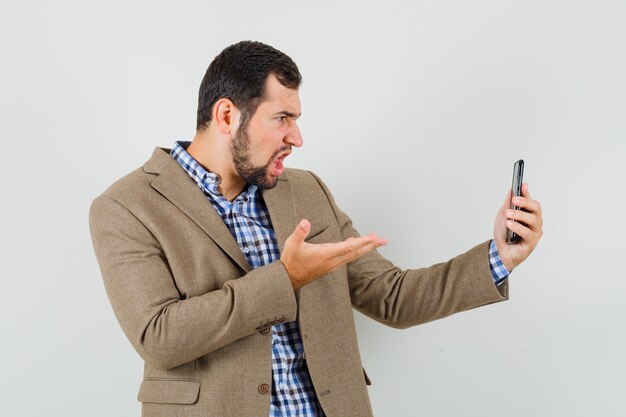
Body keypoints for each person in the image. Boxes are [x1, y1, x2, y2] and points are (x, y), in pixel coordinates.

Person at [89, 41, 543, 417]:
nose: (297, 138)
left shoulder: (306, 191)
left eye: (297, 120)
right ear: (227, 116)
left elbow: (393, 297)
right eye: (282, 119)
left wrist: (500, 257)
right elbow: (159, 337)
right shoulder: (127, 207)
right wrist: (285, 280)